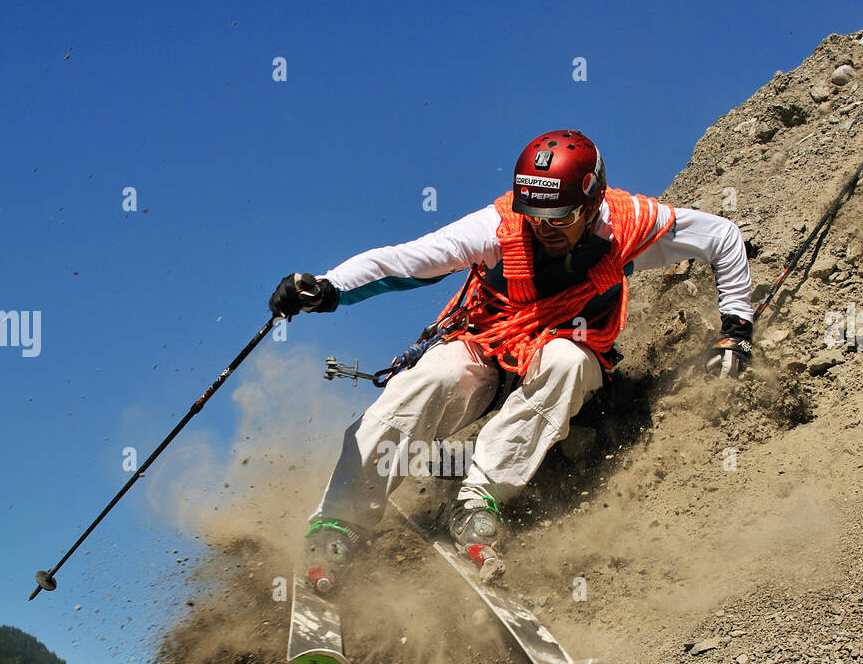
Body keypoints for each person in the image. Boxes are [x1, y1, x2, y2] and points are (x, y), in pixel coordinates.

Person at [269, 130, 754, 593]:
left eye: (559, 217)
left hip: (559, 359)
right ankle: (339, 523)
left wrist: (735, 329)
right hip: (487, 345)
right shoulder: (497, 227)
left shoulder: (632, 223)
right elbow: (405, 261)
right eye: (534, 214)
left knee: (566, 360)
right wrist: (328, 286)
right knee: (429, 377)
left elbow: (723, 237)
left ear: (592, 203)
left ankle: (478, 500)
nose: (543, 228)